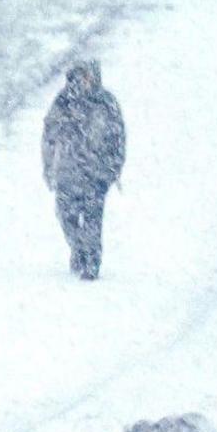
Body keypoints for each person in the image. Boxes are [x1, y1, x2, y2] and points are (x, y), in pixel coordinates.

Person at [42, 60, 128, 280]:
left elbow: (118, 137)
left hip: (96, 174)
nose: (82, 80)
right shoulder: (63, 102)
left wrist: (113, 167)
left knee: (92, 220)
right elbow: (49, 135)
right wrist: (49, 165)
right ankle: (78, 249)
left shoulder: (106, 103)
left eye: (86, 76)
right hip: (67, 172)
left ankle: (92, 262)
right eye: (78, 75)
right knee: (66, 216)